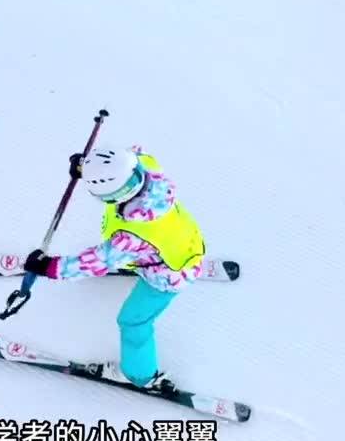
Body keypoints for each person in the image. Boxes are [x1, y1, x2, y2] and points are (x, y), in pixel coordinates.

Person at [21, 145, 206, 392]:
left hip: (168, 276)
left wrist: (50, 267)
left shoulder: (129, 238)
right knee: (137, 254)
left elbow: (97, 262)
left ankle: (140, 375)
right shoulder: (148, 167)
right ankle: (143, 262)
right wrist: (86, 167)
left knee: (132, 321)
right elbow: (133, 155)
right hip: (185, 241)